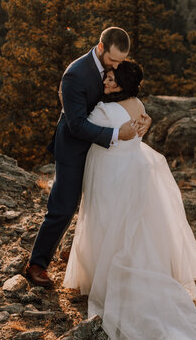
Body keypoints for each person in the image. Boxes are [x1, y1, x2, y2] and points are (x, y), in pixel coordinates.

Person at [63, 61, 196, 340]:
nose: (107, 81)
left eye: (112, 78)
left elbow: (77, 126)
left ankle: (103, 276)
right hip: (132, 168)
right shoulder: (138, 105)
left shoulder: (102, 110)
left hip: (112, 172)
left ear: (122, 84)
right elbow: (133, 126)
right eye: (107, 77)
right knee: (129, 230)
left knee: (106, 221)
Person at [25, 27, 151, 287]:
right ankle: (37, 264)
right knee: (64, 206)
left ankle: (81, 254)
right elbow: (76, 126)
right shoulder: (75, 74)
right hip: (75, 148)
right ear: (101, 47)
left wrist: (142, 118)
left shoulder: (114, 65)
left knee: (100, 202)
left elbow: (123, 92)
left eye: (121, 62)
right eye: (113, 61)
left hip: (103, 153)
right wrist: (118, 133)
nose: (116, 66)